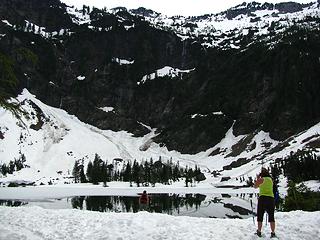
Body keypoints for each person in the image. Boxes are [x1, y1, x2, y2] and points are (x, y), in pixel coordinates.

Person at [254, 167, 276, 238]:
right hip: (271, 199)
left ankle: (259, 231)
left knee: (260, 215)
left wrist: (258, 178)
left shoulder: (261, 179)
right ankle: (273, 232)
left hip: (262, 198)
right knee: (271, 216)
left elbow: (255, 186)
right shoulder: (270, 180)